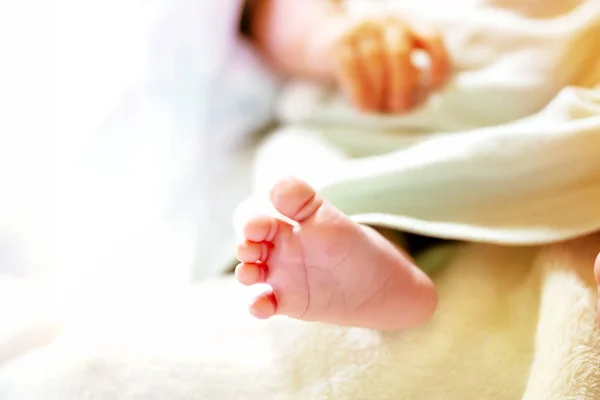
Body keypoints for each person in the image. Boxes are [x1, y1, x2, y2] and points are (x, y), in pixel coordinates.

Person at [233, 0, 600, 330]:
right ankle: (370, 268)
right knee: (294, 178)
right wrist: (322, 37)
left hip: (551, 92)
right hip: (373, 122)